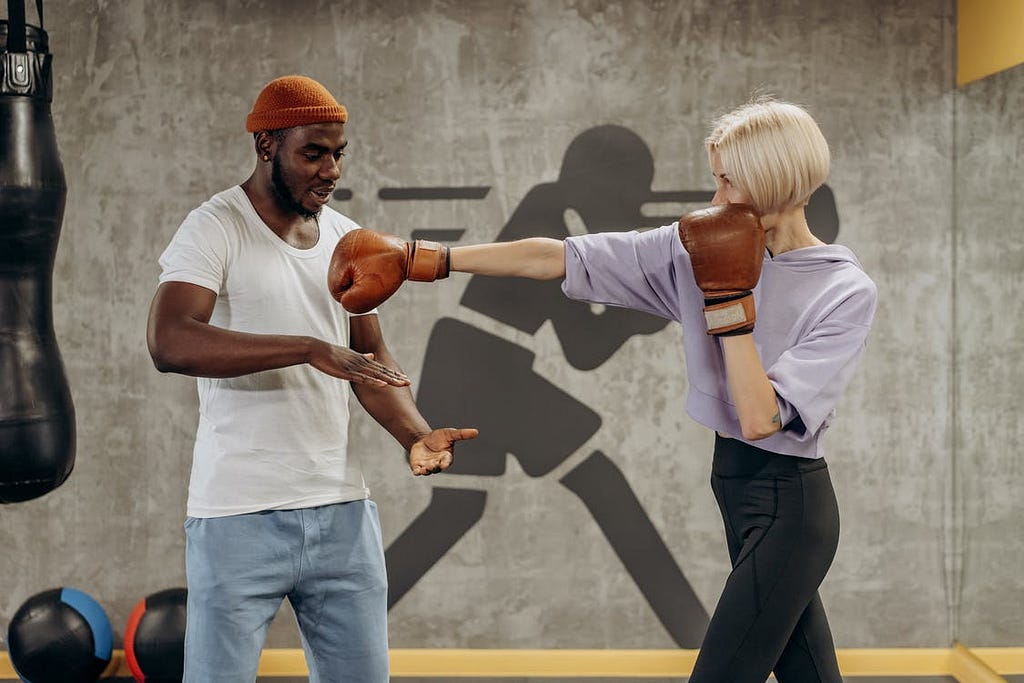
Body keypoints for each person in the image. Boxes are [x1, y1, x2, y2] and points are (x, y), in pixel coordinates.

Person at [332, 97, 877, 682]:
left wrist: (725, 303)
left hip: (789, 505)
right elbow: (556, 258)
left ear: (771, 182)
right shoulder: (693, 244)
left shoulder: (844, 292)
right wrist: (425, 259)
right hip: (735, 486)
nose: (715, 198)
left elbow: (759, 417)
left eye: (727, 182)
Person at [146, 75, 477, 683]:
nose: (330, 169)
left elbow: (368, 359)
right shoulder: (215, 226)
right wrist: (306, 348)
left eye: (338, 153)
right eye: (313, 152)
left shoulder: (348, 239)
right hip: (237, 515)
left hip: (342, 515)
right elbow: (169, 340)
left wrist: (415, 436)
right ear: (267, 146)